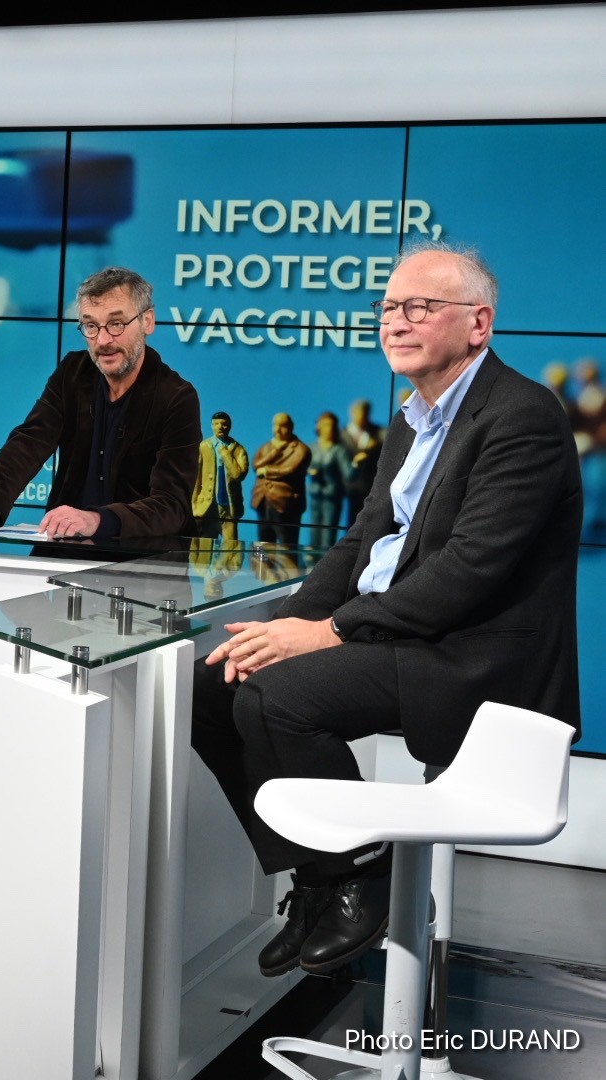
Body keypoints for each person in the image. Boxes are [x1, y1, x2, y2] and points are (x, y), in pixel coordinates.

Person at [190, 244, 581, 981]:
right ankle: (318, 877)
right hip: (405, 638)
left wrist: (327, 631)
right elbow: (362, 541)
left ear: (479, 324)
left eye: (420, 307)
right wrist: (285, 625)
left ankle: (362, 871)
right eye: (389, 307)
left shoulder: (522, 417)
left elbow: (469, 572)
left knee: (275, 699)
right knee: (215, 686)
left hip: (473, 656)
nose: (396, 322)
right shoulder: (413, 418)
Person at [0, 267, 200, 539]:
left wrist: (97, 520)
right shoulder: (72, 372)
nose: (103, 340)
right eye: (91, 326)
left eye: (116, 324)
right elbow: (29, 443)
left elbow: (171, 506)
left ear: (147, 321)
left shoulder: (177, 397)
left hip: (138, 556)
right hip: (64, 548)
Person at [250, 412, 310, 547]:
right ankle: (265, 562)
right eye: (275, 425)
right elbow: (256, 464)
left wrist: (266, 471)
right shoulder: (267, 447)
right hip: (263, 499)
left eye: (282, 426)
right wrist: (274, 452)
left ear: (291, 427)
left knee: (287, 543)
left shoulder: (301, 449)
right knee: (264, 543)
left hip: (286, 502)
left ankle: (288, 562)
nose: (277, 430)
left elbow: (290, 469)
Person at [192, 411, 251, 545]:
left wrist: (226, 454)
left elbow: (238, 474)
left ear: (229, 426)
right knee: (205, 545)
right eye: (216, 424)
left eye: (224, 424)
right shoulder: (204, 447)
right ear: (212, 425)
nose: (220, 427)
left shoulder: (238, 449)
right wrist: (194, 502)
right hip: (207, 505)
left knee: (231, 546)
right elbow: (196, 477)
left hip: (229, 506)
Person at [304, 411, 351, 551]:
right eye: (325, 425)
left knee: (328, 532)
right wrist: (309, 471)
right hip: (315, 493)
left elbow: (349, 474)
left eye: (331, 425)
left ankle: (326, 559)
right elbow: (302, 466)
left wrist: (356, 465)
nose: (328, 429)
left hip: (332, 496)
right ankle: (311, 557)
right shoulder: (312, 448)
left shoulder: (339, 450)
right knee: (314, 528)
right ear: (318, 427)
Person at [342, 398, 384, 527]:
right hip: (349, 486)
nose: (362, 416)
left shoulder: (379, 433)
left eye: (365, 413)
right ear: (352, 413)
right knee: (352, 520)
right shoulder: (342, 435)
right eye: (359, 412)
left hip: (370, 485)